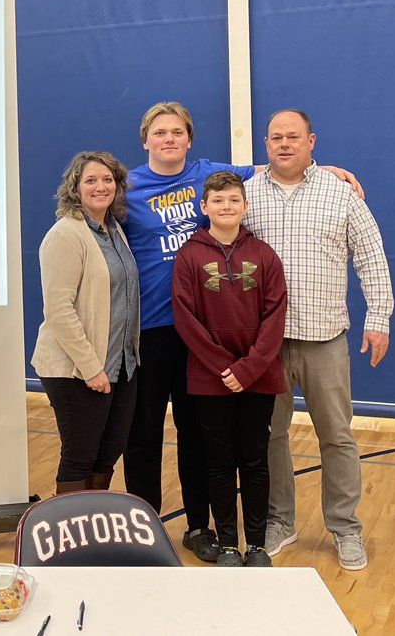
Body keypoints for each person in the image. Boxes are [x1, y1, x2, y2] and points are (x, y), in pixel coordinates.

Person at [120, 100, 360, 563]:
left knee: (196, 436)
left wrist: (322, 167)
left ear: (189, 140)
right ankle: (143, 528)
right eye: (160, 132)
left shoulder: (209, 173)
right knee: (144, 435)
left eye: (177, 132)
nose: (169, 139)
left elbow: (272, 164)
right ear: (145, 139)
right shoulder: (127, 187)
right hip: (150, 328)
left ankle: (199, 527)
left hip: (204, 336)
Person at [243, 109, 393, 571]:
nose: (284, 144)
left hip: (324, 337)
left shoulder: (341, 194)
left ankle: (346, 528)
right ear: (265, 144)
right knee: (270, 436)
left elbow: (371, 256)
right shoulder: (245, 195)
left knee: (337, 436)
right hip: (264, 343)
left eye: (293, 137)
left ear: (312, 141)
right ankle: (279, 522)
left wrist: (379, 317)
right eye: (275, 138)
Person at [171, 171, 287, 568]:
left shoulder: (265, 254)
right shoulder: (189, 255)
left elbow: (275, 316)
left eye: (234, 200)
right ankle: (226, 544)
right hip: (210, 379)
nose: (226, 207)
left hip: (259, 376)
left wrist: (250, 368)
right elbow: (186, 319)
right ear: (204, 208)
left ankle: (256, 545)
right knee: (217, 463)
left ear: (245, 206)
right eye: (218, 201)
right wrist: (225, 368)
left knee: (254, 460)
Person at [32, 151, 140, 494]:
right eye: (91, 180)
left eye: (107, 179)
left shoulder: (114, 231)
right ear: (75, 189)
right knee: (80, 456)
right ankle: (72, 537)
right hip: (75, 370)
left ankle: (93, 528)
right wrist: (91, 367)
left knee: (107, 455)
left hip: (120, 365)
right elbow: (59, 310)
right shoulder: (66, 234)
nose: (100, 186)